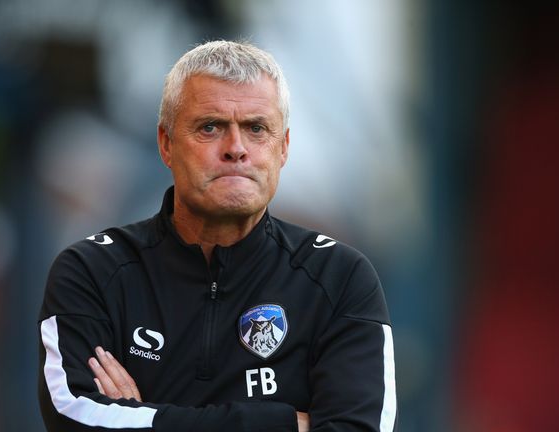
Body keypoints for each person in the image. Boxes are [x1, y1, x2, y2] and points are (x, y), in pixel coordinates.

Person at [38, 40, 396, 431]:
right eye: (210, 127)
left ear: (284, 149)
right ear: (166, 144)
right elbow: (71, 418)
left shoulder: (339, 278)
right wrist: (280, 424)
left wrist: (141, 416)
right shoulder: (92, 272)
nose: (236, 149)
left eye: (256, 129)